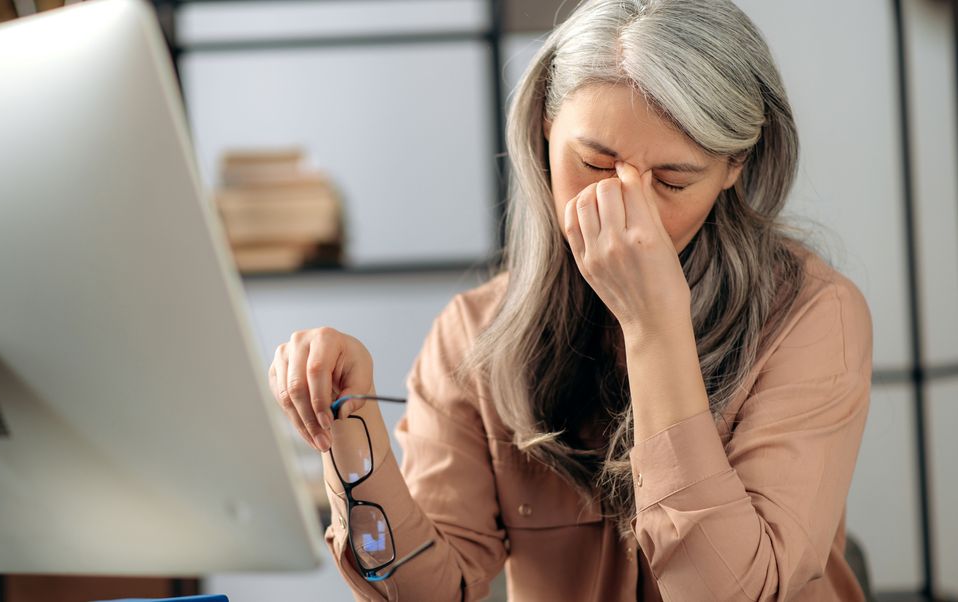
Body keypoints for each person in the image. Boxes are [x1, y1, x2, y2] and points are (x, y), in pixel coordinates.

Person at [267, 0, 873, 599]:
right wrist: (347, 428)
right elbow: (431, 591)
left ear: (734, 167)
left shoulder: (813, 318)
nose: (624, 209)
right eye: (593, 163)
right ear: (544, 132)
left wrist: (654, 327)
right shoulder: (476, 334)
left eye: (672, 182)